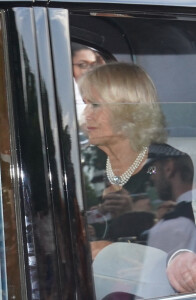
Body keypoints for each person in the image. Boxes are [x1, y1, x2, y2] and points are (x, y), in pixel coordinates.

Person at [78, 62, 196, 298]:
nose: (86, 114)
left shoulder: (163, 165)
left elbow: (182, 244)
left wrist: (114, 251)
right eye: (86, 104)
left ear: (128, 110)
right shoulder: (81, 164)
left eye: (96, 104)